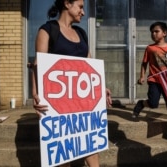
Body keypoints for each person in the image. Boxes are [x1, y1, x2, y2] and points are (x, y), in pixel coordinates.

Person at [31, 0, 112, 167]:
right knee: (63, 154)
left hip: (82, 101)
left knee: (91, 145)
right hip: (59, 103)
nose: (83, 12)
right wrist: (35, 94)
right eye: (80, 7)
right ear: (67, 4)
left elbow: (89, 65)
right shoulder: (47, 30)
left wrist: (100, 88)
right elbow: (38, 65)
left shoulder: (81, 33)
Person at [133, 21, 167, 144]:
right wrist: (142, 76)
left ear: (164, 33)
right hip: (155, 80)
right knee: (153, 104)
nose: (153, 34)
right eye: (152, 32)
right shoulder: (150, 48)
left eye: (156, 31)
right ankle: (141, 104)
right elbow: (144, 63)